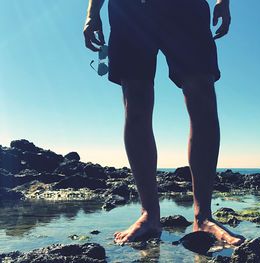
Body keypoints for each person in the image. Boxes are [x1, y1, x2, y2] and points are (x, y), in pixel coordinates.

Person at [83, 0, 243, 246]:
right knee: (136, 102)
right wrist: (92, 13)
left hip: (184, 6)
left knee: (202, 94)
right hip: (129, 9)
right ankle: (149, 215)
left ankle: (203, 217)